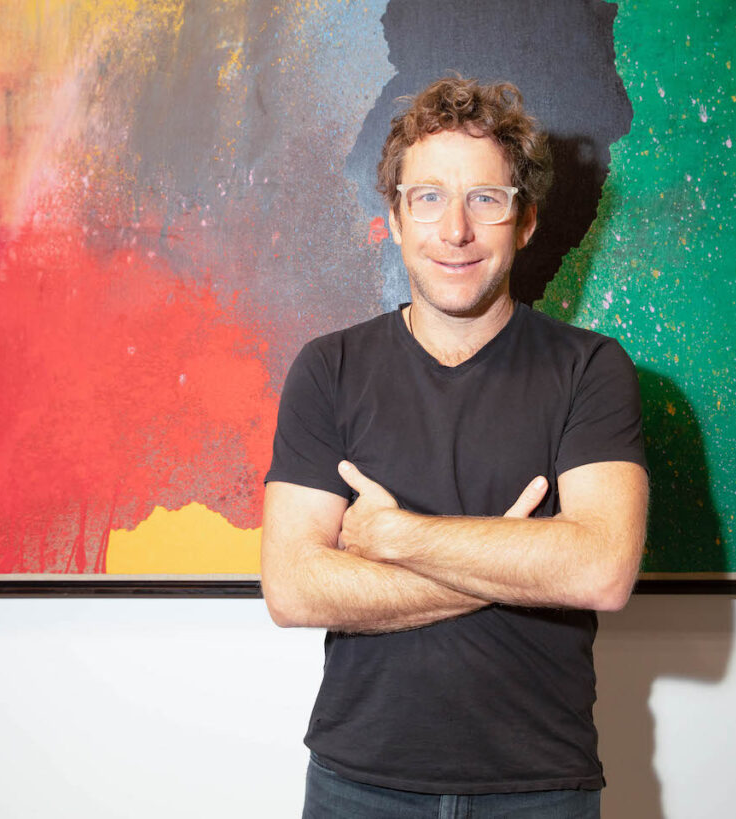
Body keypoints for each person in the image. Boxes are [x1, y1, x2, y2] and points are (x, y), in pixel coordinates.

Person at [261, 76, 649, 818]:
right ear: (397, 219)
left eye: (486, 199)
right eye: (429, 197)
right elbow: (293, 585)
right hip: (358, 784)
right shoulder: (328, 370)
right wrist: (517, 558)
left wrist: (396, 537)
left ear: (525, 220)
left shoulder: (591, 370)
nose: (456, 231)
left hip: (541, 789)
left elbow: (601, 569)